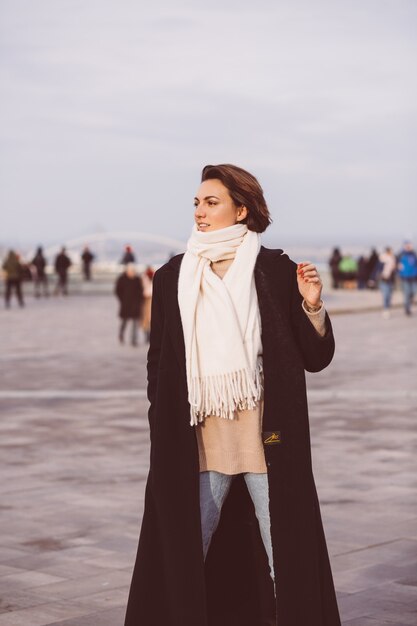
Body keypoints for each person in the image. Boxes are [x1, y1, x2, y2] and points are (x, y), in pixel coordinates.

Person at [124, 164, 340, 626]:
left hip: (267, 442)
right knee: (182, 553)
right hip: (200, 441)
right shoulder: (173, 277)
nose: (200, 212)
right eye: (197, 203)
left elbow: (314, 356)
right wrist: (159, 424)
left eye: (211, 202)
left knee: (287, 555)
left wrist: (312, 305)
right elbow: (158, 361)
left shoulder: (275, 270)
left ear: (241, 209)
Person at [115, 264, 144, 346]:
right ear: (127, 271)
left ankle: (133, 340)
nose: (132, 273)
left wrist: (139, 300)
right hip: (126, 305)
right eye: (131, 271)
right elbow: (117, 291)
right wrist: (122, 300)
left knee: (135, 323)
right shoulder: (121, 279)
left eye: (133, 271)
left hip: (135, 305)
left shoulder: (137, 279)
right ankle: (121, 335)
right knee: (124, 322)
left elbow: (140, 290)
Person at [397, 240, 417, 316]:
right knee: (407, 293)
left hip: (414, 277)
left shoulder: (414, 254)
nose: (408, 246)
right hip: (405, 277)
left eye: (409, 245)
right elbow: (396, 265)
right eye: (407, 245)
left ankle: (409, 303)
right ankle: (407, 309)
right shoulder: (401, 255)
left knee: (413, 292)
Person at [378, 247, 397, 318]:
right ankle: (385, 309)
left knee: (389, 295)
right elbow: (377, 269)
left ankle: (387, 308)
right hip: (384, 279)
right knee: (385, 295)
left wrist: (395, 268)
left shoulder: (394, 259)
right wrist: (372, 278)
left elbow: (395, 271)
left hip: (391, 280)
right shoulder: (382, 259)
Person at [140, 265, 154, 343]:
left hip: (150, 299)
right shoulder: (144, 278)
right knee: (146, 319)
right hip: (147, 299)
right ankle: (147, 336)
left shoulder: (150, 277)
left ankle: (148, 336)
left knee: (149, 319)